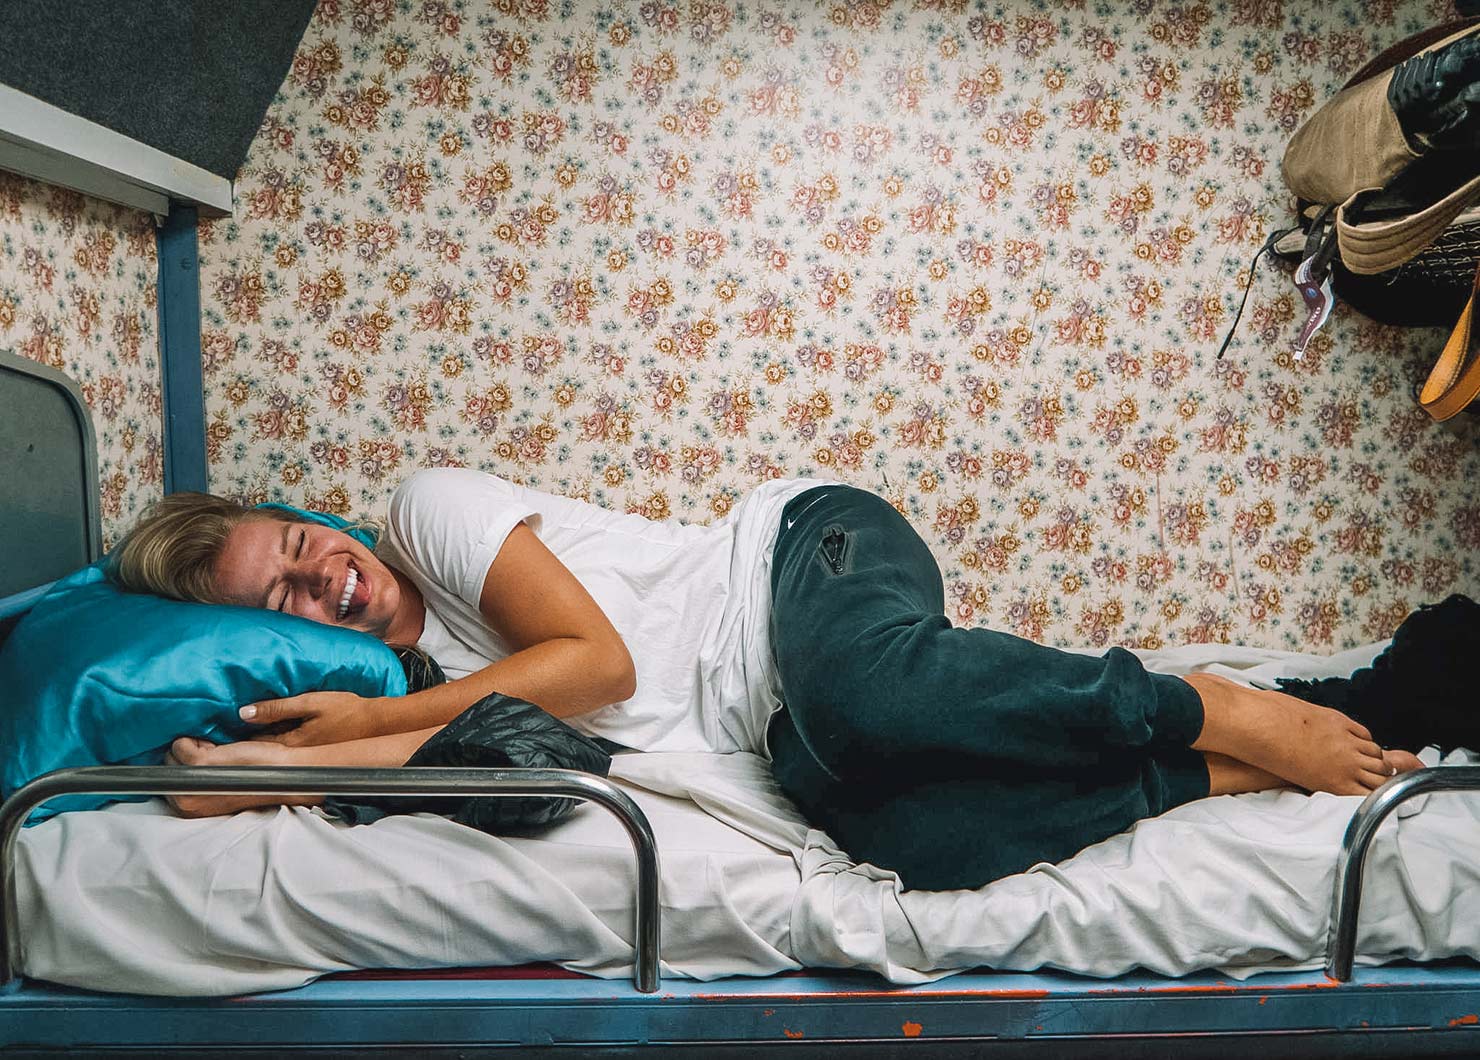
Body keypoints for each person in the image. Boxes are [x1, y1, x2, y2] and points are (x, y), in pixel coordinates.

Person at [110, 468, 1424, 889]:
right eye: (282, 601)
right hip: (773, 724)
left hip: (802, 559)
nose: (323, 580)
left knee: (877, 698)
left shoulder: (424, 514)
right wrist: (254, 771)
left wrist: (377, 713)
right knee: (906, 841)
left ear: (320, 520)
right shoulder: (429, 686)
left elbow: (596, 667)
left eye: (301, 548)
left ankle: (1204, 700)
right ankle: (1204, 773)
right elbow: (445, 751)